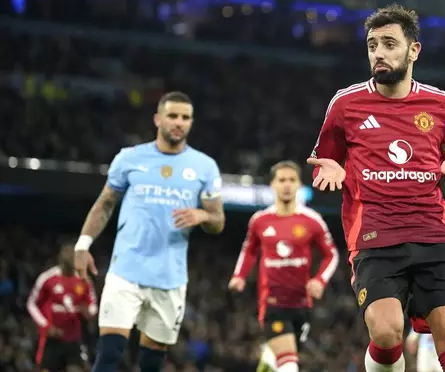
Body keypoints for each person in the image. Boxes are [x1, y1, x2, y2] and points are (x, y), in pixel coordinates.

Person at [307, 4, 445, 372]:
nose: (379, 53)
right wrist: (330, 171)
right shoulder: (346, 104)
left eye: (389, 43)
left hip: (434, 237)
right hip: (375, 239)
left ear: (413, 50)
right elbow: (325, 167)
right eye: (372, 45)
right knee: (387, 334)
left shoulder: (443, 106)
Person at [73, 91, 226, 372]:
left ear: (191, 123)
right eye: (172, 116)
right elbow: (105, 204)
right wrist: (82, 245)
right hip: (125, 273)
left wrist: (203, 214)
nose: (179, 122)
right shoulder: (129, 158)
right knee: (109, 354)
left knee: (151, 363)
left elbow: (218, 221)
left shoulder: (204, 166)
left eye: (185, 117)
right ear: (158, 119)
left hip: (170, 278)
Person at [229, 161, 339, 372]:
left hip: (301, 305)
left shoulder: (312, 220)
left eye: (291, 180)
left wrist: (319, 280)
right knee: (289, 365)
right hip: (272, 304)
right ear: (273, 185)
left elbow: (331, 254)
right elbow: (249, 250)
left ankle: (267, 360)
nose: (287, 185)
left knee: (276, 361)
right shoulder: (260, 221)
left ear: (298, 184)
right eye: (281, 180)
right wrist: (239, 275)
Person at [28, 243, 97, 372]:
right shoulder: (47, 278)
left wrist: (89, 312)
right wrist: (45, 325)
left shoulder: (84, 281)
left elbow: (93, 305)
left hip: (75, 339)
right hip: (53, 339)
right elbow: (31, 304)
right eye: (67, 260)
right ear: (61, 260)